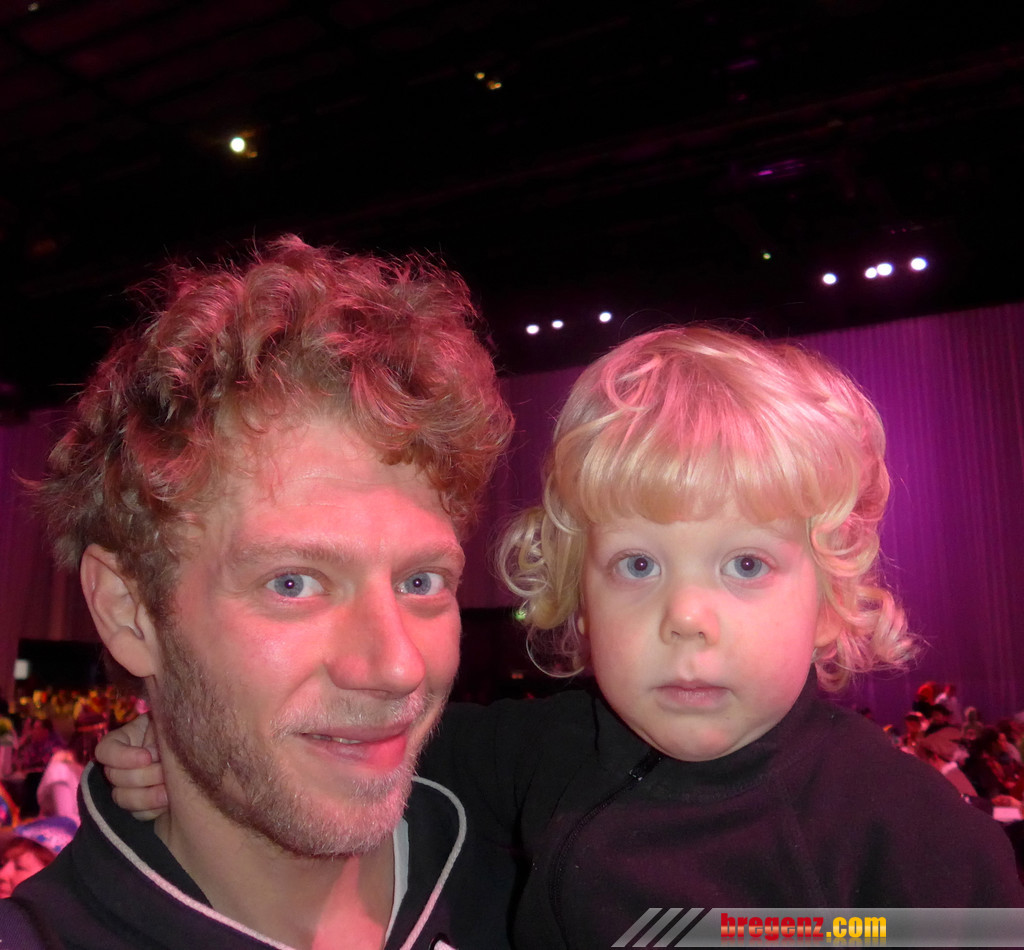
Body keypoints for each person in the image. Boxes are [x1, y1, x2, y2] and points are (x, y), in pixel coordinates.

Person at [100, 326, 1024, 948]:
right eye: (637, 565)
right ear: (577, 593)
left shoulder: (920, 844)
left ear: (829, 597)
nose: (686, 616)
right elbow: (324, 743)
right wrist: (166, 743)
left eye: (746, 565)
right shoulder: (535, 753)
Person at [2, 238, 515, 950]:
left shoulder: (542, 861)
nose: (397, 667)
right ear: (129, 611)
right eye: (293, 583)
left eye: (420, 582)